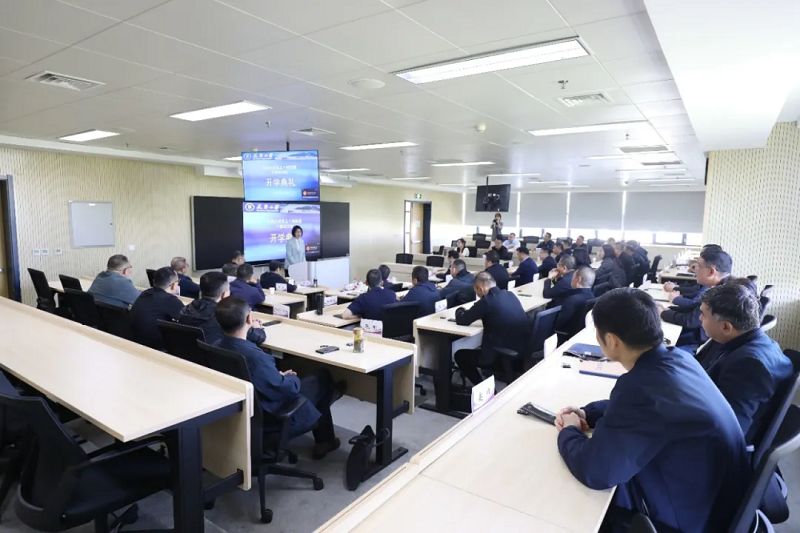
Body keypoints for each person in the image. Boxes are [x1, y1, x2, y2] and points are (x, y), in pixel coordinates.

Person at [555, 288, 750, 533]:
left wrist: (569, 431)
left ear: (612, 340)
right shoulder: (679, 358)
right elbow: (655, 408)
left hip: (687, 519)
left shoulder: (640, 388)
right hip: (715, 499)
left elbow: (596, 472)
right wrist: (589, 412)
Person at [214, 296, 341, 459]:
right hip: (272, 414)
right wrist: (291, 379)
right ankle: (326, 440)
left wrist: (275, 375)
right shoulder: (256, 358)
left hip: (243, 412)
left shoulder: (216, 346)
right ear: (249, 319)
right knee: (322, 377)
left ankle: (325, 437)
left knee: (305, 379)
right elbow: (288, 390)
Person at [697, 284, 793, 444]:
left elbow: (727, 431)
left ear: (726, 327)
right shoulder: (763, 343)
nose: (700, 318)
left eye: (703, 315)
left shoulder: (748, 366)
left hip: (715, 447)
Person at [454, 272, 530, 386]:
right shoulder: (510, 295)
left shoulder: (486, 301)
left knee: (460, 356)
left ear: (480, 288)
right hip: (521, 353)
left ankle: (483, 387)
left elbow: (462, 320)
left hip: (497, 356)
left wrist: (460, 310)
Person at [661, 249, 742, 349]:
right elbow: (696, 306)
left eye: (698, 266)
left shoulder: (722, 294)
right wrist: (669, 310)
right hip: (700, 337)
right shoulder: (722, 286)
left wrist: (663, 313)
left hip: (697, 343)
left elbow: (691, 321)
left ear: (711, 271)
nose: (695, 270)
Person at [178, 271, 266, 346]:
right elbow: (258, 337)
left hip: (189, 355)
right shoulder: (225, 315)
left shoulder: (187, 308)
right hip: (214, 357)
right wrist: (253, 326)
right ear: (224, 295)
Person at [129, 266, 185, 350]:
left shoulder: (145, 293)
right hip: (156, 347)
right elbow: (188, 319)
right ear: (174, 285)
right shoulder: (169, 300)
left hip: (136, 341)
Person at [553, 266, 595, 341]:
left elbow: (559, 323)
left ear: (578, 279)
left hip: (565, 336)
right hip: (580, 335)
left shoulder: (571, 300)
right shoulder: (593, 297)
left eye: (573, 277)